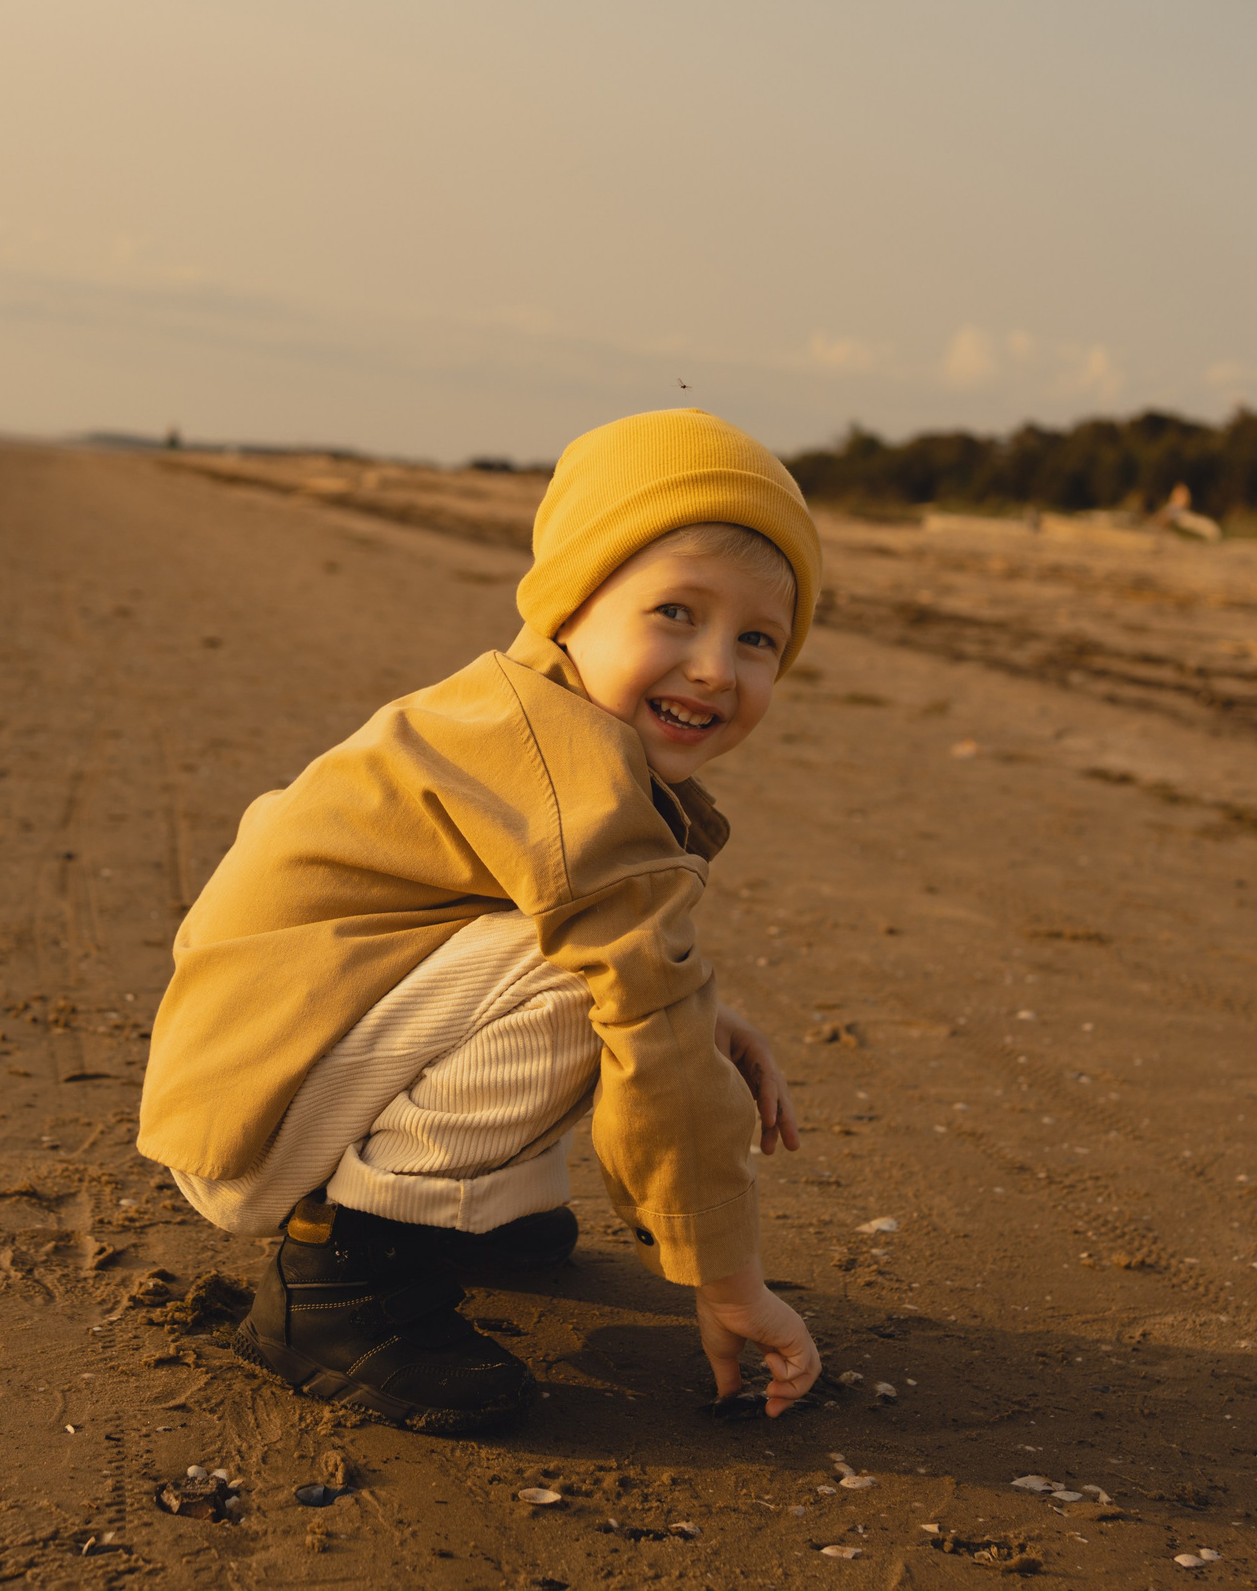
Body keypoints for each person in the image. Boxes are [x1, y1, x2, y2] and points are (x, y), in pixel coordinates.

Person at [136, 407, 824, 1434]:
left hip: (269, 1053)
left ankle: (472, 1205)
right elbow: (641, 999)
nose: (716, 667)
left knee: (628, 984)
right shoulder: (568, 778)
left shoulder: (530, 718)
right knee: (594, 982)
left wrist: (704, 1020)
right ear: (569, 609)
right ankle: (346, 1284)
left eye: (757, 638)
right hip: (254, 1110)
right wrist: (727, 1279)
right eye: (675, 614)